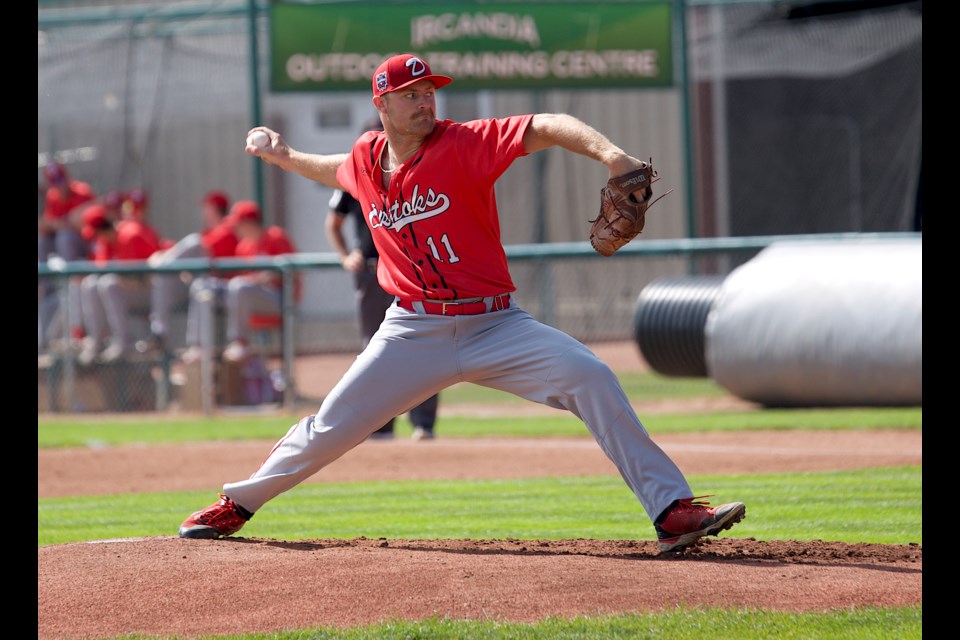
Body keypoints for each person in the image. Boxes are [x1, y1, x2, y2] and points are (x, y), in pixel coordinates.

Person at [178, 53, 746, 553]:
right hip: (412, 332)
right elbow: (332, 169)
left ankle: (671, 512)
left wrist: (612, 155)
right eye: (411, 96)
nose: (426, 102)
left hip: (496, 325)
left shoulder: (465, 143)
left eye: (430, 92)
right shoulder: (365, 159)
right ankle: (238, 504)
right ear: (383, 103)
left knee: (592, 377)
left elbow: (547, 125)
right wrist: (282, 155)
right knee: (330, 426)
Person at [326, 119, 440, 441]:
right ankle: (381, 425)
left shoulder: (421, 171)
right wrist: (346, 255)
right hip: (372, 270)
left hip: (414, 272)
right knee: (375, 351)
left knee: (426, 344)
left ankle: (423, 424)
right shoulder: (357, 175)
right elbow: (333, 223)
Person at [181, 200, 297, 364]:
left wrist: (261, 278)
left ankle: (240, 342)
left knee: (240, 286)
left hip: (279, 299)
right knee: (203, 286)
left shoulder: (275, 237)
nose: (234, 228)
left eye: (238, 224)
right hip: (248, 295)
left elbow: (291, 271)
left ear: (249, 223)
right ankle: (198, 345)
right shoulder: (244, 246)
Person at [142, 190, 238, 354]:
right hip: (197, 285)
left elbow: (202, 247)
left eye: (206, 207)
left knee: (193, 244)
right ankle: (159, 331)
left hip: (220, 287)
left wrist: (163, 257)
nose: (203, 211)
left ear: (214, 208)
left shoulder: (227, 229)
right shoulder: (207, 232)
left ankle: (163, 264)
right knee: (162, 278)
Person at [76, 200, 163, 365]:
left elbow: (145, 277)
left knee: (109, 284)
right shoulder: (106, 241)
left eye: (96, 233)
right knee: (91, 284)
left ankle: (124, 342)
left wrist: (122, 280)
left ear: (104, 229)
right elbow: (101, 271)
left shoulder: (131, 235)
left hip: (153, 290)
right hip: (131, 290)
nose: (96, 238)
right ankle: (97, 341)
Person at [38, 162, 96, 350]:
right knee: (44, 240)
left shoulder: (82, 191)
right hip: (62, 247)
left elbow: (91, 224)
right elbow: (46, 224)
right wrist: (60, 223)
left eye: (61, 181)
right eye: (55, 183)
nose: (59, 186)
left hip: (85, 244)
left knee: (65, 237)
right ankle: (43, 281)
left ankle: (71, 271)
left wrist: (64, 224)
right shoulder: (52, 196)